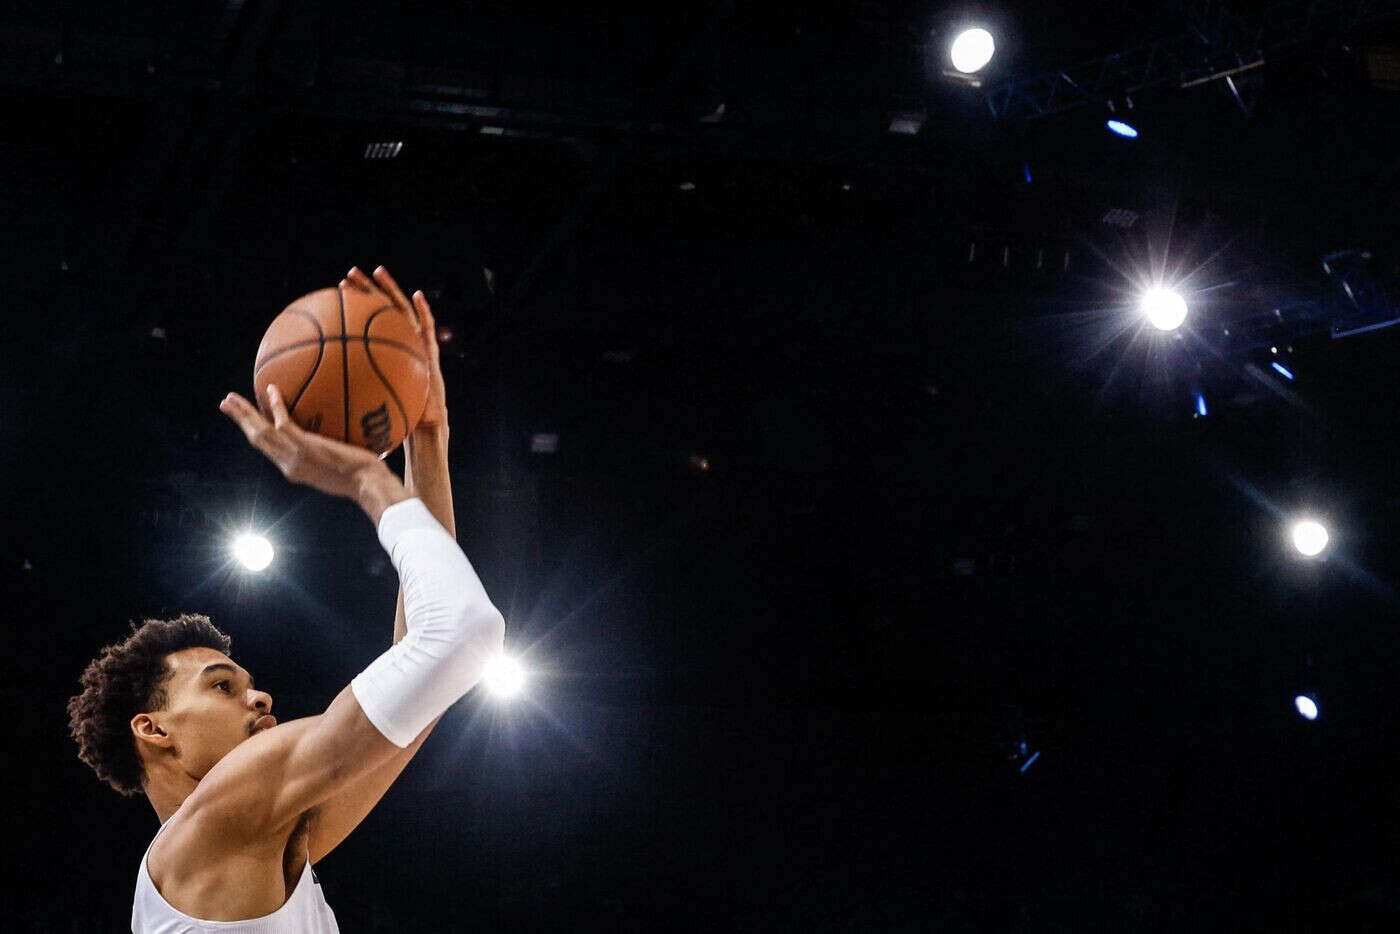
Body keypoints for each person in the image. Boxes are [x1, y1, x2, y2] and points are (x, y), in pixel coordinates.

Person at [66, 267, 504, 932]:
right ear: (154, 730)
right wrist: (366, 479)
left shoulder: (246, 841)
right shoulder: (215, 823)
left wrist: (427, 440)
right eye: (220, 686)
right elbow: (459, 639)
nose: (261, 697)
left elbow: (431, 676)